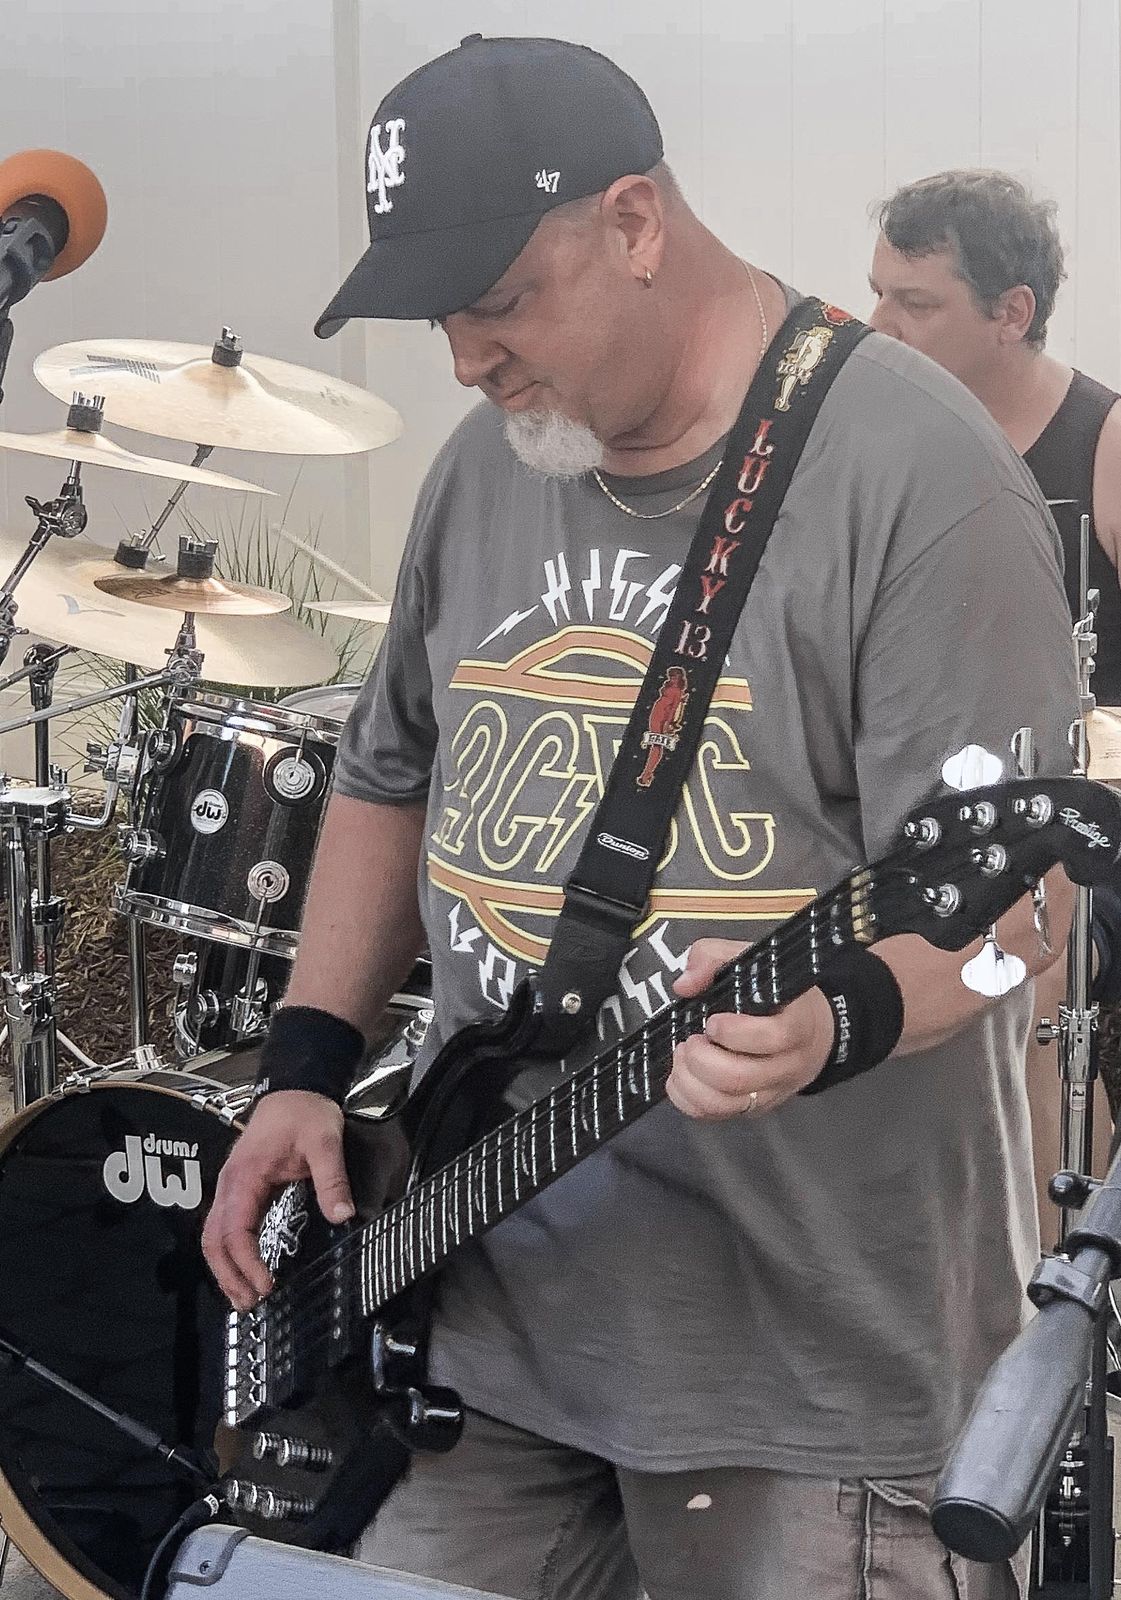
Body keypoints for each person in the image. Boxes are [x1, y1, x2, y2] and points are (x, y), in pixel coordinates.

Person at [202, 37, 1078, 1600]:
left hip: (807, 1380)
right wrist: (307, 1066)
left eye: (498, 301)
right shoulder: (488, 468)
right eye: (439, 317)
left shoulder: (918, 478)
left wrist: (841, 1015)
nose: (465, 361)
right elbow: (390, 774)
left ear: (633, 221)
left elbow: (1028, 911)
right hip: (480, 1312)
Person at [868, 169, 1121, 1230]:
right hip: (922, 809)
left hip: (1075, 830)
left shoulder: (1102, 444)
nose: (878, 325)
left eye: (914, 303)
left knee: (1025, 971)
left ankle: (1051, 1279)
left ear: (1010, 312)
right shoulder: (886, 452)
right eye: (876, 293)